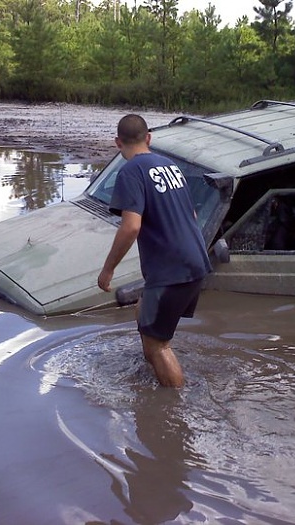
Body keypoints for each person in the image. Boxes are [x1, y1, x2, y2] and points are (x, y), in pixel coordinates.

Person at [97, 114, 212, 387]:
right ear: (149, 138)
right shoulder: (170, 166)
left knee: (159, 346)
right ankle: (153, 369)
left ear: (117, 142)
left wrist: (108, 268)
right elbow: (193, 215)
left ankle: (174, 407)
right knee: (144, 310)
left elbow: (131, 227)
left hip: (171, 270)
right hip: (195, 263)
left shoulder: (130, 171)